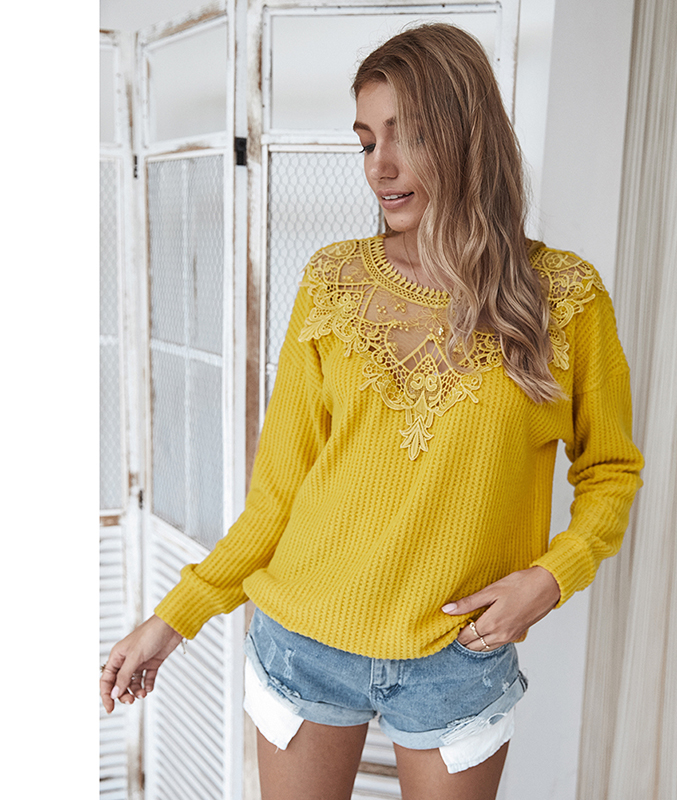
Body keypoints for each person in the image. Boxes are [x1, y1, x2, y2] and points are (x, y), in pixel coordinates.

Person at [100, 23, 643, 800]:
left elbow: (611, 469)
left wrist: (553, 578)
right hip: (304, 643)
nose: (379, 167)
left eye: (407, 136)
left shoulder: (566, 297)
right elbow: (277, 497)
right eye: (365, 141)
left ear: (467, 136)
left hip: (457, 654)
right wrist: (174, 617)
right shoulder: (332, 283)